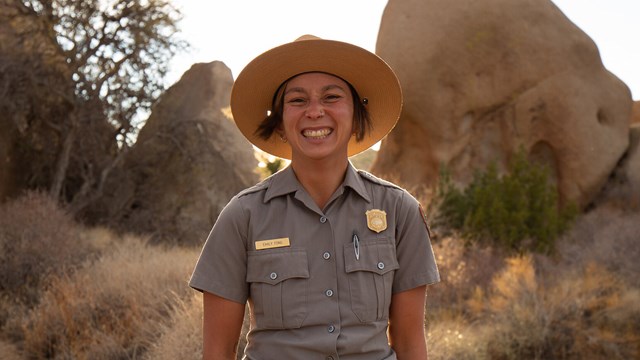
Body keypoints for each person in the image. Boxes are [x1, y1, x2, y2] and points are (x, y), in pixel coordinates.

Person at [189, 35, 440, 360]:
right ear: (279, 123)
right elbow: (218, 352)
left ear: (356, 116)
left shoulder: (399, 210)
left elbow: (409, 345)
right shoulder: (243, 215)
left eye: (332, 97)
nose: (315, 111)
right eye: (297, 101)